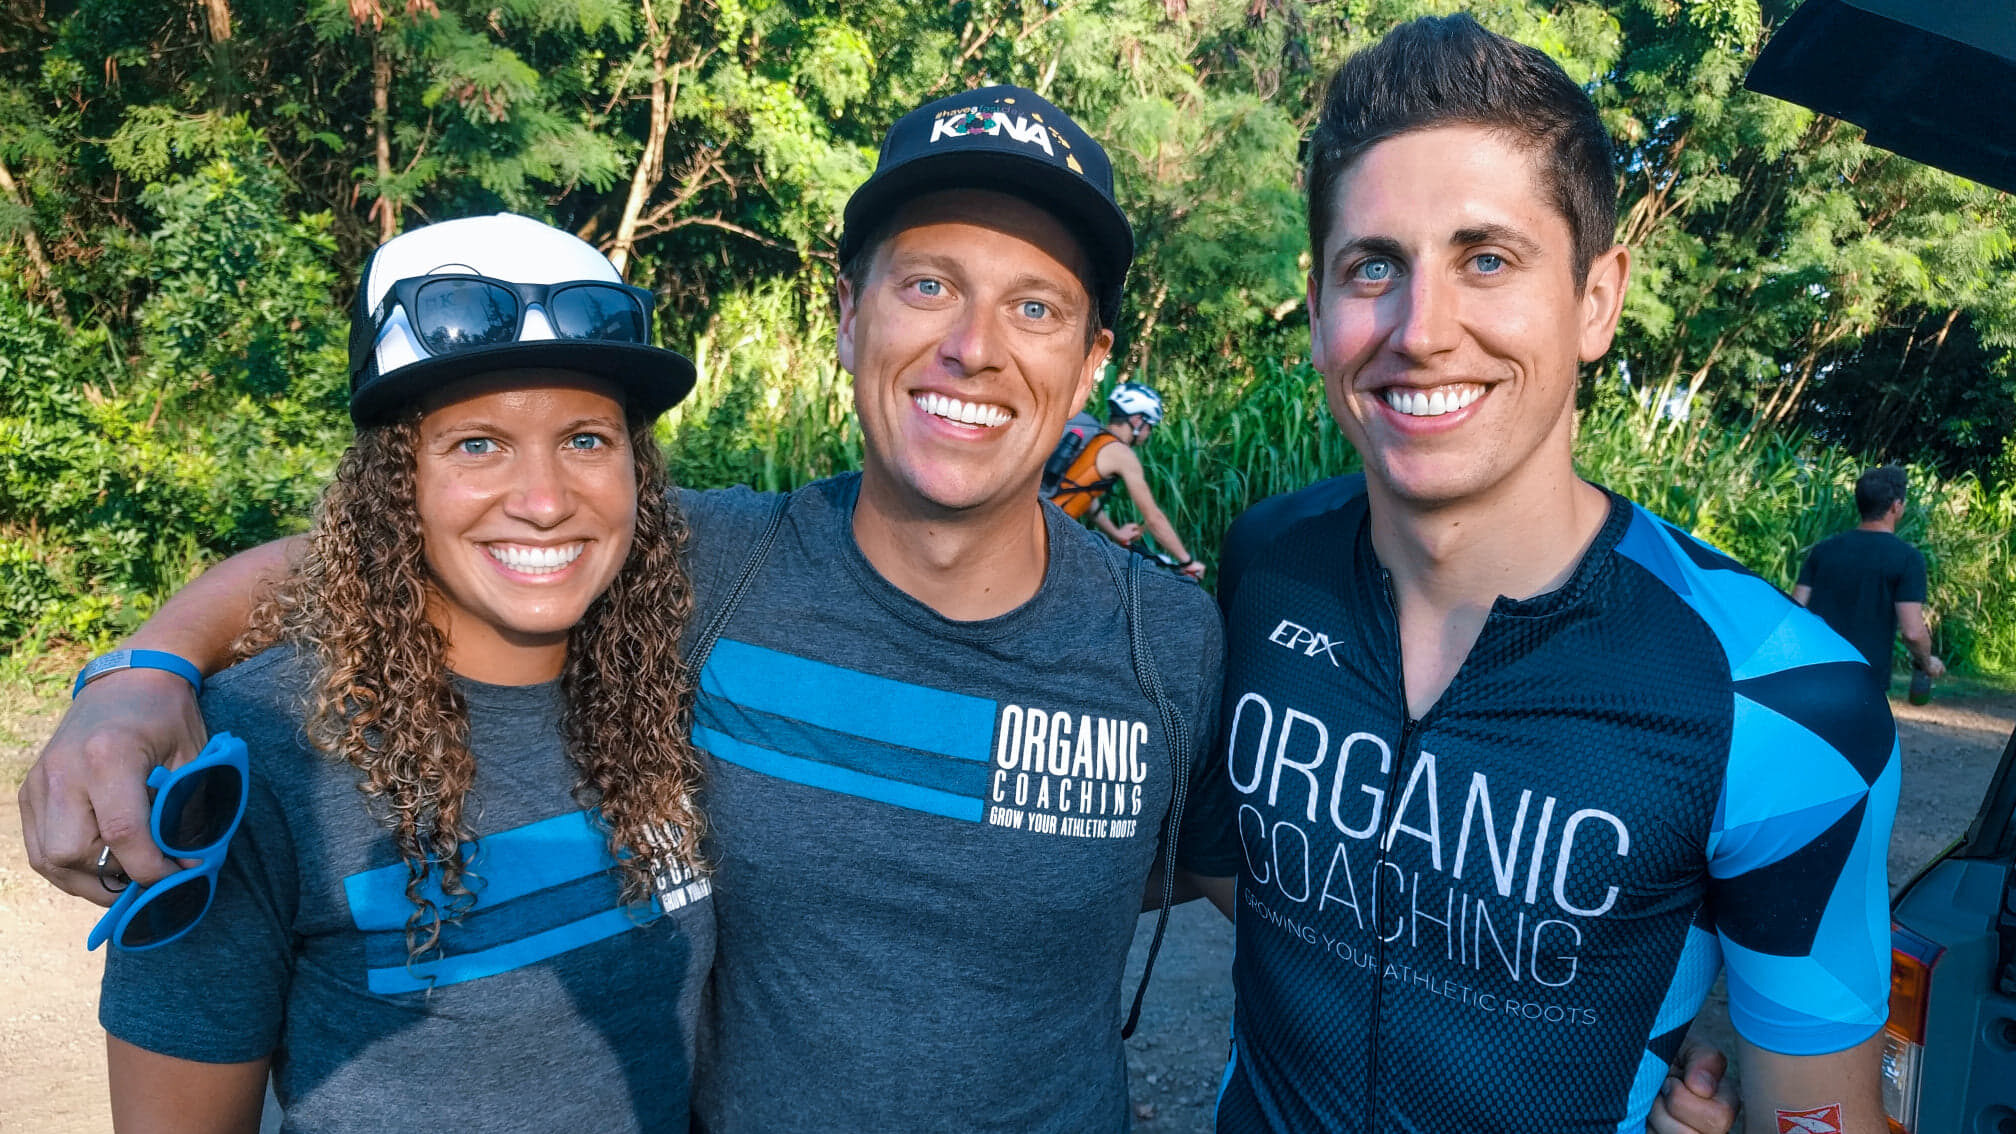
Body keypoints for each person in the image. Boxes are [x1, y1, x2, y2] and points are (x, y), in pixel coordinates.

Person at [17, 86, 1736, 1134]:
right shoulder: (705, 557)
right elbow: (440, 531)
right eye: (927, 282)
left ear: (1088, 364)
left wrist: (1705, 998)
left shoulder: (1172, 642)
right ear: (850, 316)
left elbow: (1325, 875)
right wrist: (143, 670)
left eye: (1034, 303)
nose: (972, 345)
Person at [1209, 16, 1899, 1134]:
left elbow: (1815, 1114)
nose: (1422, 331)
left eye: (1487, 258)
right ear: (1323, 304)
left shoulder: (1781, 700)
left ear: (1596, 298)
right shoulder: (1266, 563)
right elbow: (1253, 875)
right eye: (1373, 265)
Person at [97, 214, 714, 1132]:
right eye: (476, 444)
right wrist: (134, 678)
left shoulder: (681, 665)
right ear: (396, 484)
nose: (545, 501)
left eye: (587, 438)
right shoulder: (258, 761)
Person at [1794, 465, 1944, 696]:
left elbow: (1797, 609)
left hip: (1813, 669)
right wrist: (1927, 662)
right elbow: (1913, 632)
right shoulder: (1908, 559)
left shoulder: (1823, 550)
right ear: (1896, 506)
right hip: (1863, 679)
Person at [1045, 381, 1208, 579]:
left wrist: (1115, 532)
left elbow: (1079, 491)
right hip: (1046, 537)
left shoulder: (1094, 438)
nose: (1148, 434)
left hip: (1040, 526)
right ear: (1138, 420)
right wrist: (1187, 562)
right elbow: (1154, 519)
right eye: (1150, 426)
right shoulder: (1121, 454)